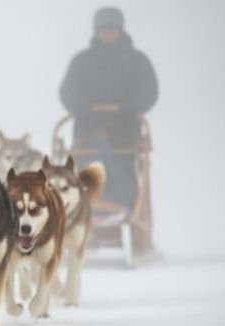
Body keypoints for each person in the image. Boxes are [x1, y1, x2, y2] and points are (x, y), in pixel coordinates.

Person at [59, 6, 158, 255]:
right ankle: (84, 225)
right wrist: (82, 105)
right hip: (87, 133)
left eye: (112, 28)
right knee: (84, 177)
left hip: (124, 133)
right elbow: (67, 92)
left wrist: (127, 106)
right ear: (97, 30)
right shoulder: (82, 61)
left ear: (120, 29)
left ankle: (131, 224)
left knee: (123, 173)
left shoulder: (136, 60)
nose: (108, 33)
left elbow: (149, 91)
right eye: (104, 28)